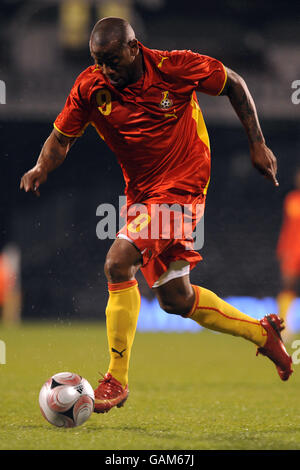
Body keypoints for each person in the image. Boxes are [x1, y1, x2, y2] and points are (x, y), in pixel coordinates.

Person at [20, 17, 293, 413]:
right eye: (98, 61)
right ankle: (262, 333)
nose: (106, 70)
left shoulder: (173, 67)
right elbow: (61, 139)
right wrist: (41, 168)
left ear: (134, 48)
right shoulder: (90, 86)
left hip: (184, 183)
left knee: (118, 261)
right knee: (175, 300)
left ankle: (116, 378)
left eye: (112, 60)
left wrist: (257, 144)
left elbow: (234, 82)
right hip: (142, 193)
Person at [277, 167, 300, 340]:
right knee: (288, 286)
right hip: (293, 250)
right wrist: (282, 248)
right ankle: (284, 326)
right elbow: (287, 227)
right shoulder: (291, 199)